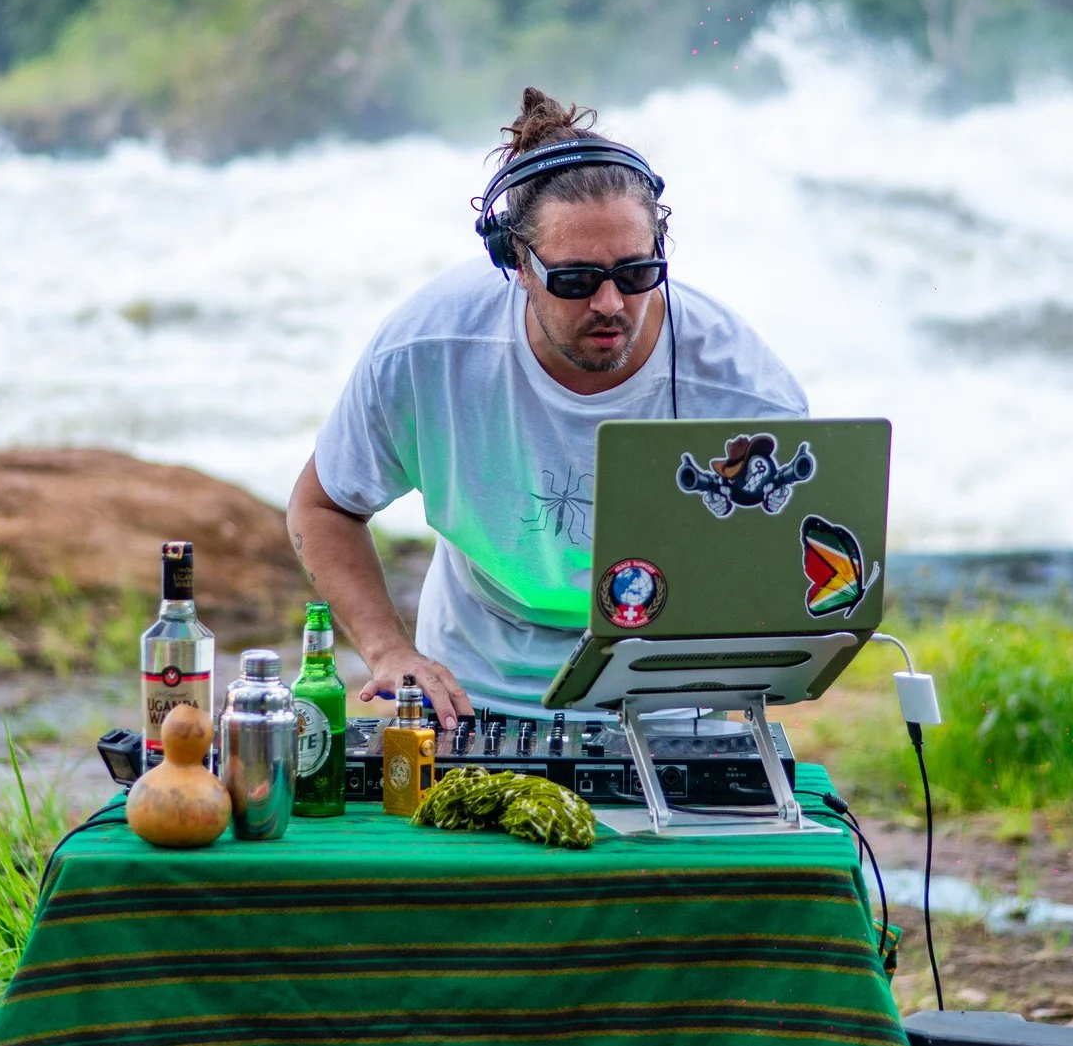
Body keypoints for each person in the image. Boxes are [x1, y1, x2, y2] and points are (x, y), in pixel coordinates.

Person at [287, 88, 807, 724]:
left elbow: (784, 558)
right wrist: (387, 649)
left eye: (638, 272)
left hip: (663, 693)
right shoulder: (428, 350)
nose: (612, 303)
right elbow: (324, 505)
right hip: (469, 691)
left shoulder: (742, 388)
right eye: (576, 280)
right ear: (517, 265)